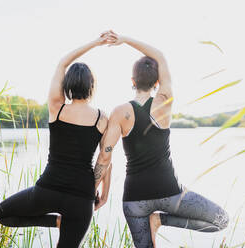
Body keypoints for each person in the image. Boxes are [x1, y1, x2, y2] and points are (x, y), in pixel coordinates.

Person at [95, 31, 229, 248]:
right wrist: (126, 39)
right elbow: (160, 56)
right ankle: (159, 220)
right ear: (157, 82)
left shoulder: (120, 112)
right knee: (221, 220)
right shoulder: (164, 101)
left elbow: (104, 157)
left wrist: (95, 191)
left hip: (134, 200)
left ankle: (155, 220)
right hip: (170, 194)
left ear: (132, 81)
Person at [0, 32, 112, 248]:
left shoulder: (56, 108)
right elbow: (105, 159)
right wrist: (103, 193)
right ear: (92, 86)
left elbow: (62, 63)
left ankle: (55, 222)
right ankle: (61, 221)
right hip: (81, 197)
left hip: (48, 190)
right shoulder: (102, 118)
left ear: (67, 84)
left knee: (1, 214)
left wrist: (95, 42)